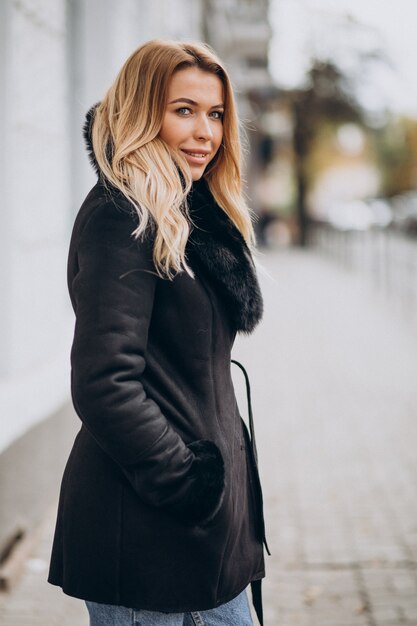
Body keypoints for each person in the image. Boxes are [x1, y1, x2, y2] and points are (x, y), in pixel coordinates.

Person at [48, 39, 268, 626]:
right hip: (158, 538)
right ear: (144, 113)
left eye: (216, 113)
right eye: (183, 110)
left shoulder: (186, 214)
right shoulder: (124, 217)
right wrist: (189, 484)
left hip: (200, 540)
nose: (205, 132)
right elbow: (104, 381)